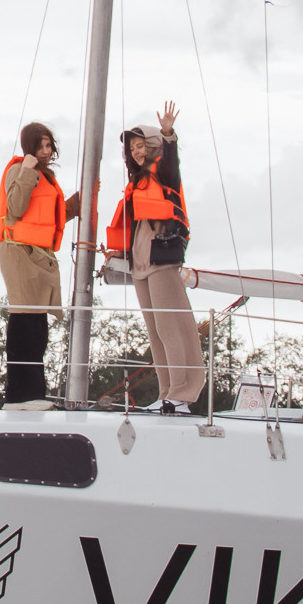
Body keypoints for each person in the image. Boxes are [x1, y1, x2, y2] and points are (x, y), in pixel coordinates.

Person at [104, 101, 205, 413]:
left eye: (141, 145)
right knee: (156, 330)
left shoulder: (164, 175)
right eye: (132, 147)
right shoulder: (136, 185)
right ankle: (167, 394)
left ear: (152, 147)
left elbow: (171, 162)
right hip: (141, 265)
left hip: (162, 260)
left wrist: (167, 134)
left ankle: (184, 394)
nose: (136, 151)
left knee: (172, 326)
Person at [0, 122, 78, 407]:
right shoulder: (19, 170)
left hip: (39, 255)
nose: (46, 151)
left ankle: (33, 394)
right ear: (29, 147)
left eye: (49, 145)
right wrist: (28, 169)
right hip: (18, 251)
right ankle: (19, 395)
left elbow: (47, 219)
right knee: (24, 319)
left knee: (37, 325)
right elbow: (15, 209)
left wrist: (78, 203)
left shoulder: (48, 178)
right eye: (40, 145)